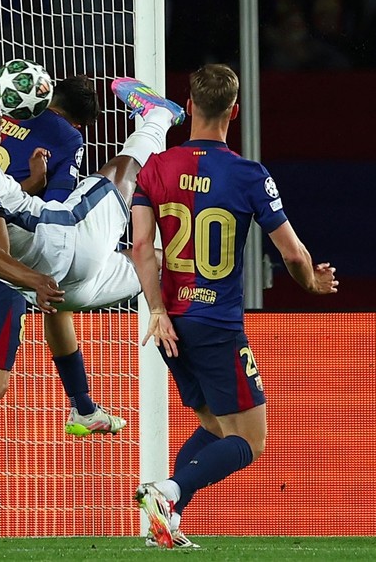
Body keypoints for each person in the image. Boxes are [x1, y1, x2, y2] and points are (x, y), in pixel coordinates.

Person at [0, 79, 185, 536]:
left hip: (67, 285)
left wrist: (32, 184)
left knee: (157, 271)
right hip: (69, 245)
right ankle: (158, 115)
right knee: (121, 172)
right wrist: (36, 279)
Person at [129, 63, 338, 549]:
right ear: (234, 112)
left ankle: (167, 519)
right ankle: (169, 491)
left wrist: (157, 310)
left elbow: (140, 247)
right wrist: (312, 286)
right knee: (250, 440)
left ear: (189, 107)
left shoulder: (156, 167)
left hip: (169, 323)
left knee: (213, 426)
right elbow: (292, 253)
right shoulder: (247, 174)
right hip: (217, 325)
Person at [0, 74, 123, 439]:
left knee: (57, 306)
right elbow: (52, 212)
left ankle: (83, 407)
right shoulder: (66, 137)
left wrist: (29, 183)